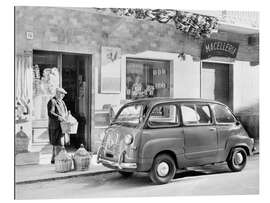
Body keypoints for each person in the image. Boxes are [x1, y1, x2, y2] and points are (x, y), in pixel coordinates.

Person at [47, 87, 68, 164]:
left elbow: (65, 112)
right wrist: (59, 117)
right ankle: (59, 161)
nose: (63, 95)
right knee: (59, 144)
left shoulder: (62, 102)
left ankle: (54, 160)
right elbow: (50, 113)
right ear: (58, 93)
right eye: (62, 94)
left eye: (64, 94)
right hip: (55, 126)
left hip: (62, 126)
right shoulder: (52, 101)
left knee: (57, 143)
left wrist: (67, 117)